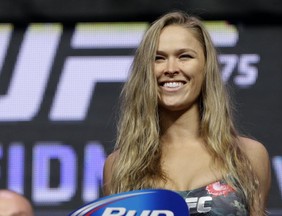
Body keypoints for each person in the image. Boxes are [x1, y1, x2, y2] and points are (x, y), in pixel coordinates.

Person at [103, 11, 271, 215]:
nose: (171, 68)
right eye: (158, 58)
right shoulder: (121, 165)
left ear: (206, 66)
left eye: (185, 56)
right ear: (146, 71)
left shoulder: (248, 156)